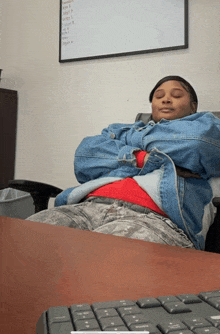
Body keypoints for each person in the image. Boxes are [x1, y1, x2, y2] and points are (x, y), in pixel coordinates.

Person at [26, 75, 220, 250]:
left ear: (193, 106)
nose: (166, 99)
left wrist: (128, 143)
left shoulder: (207, 126)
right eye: (158, 95)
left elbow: (196, 144)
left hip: (155, 220)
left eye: (176, 95)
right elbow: (84, 156)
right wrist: (142, 158)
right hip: (88, 206)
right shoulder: (127, 128)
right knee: (24, 240)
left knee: (100, 258)